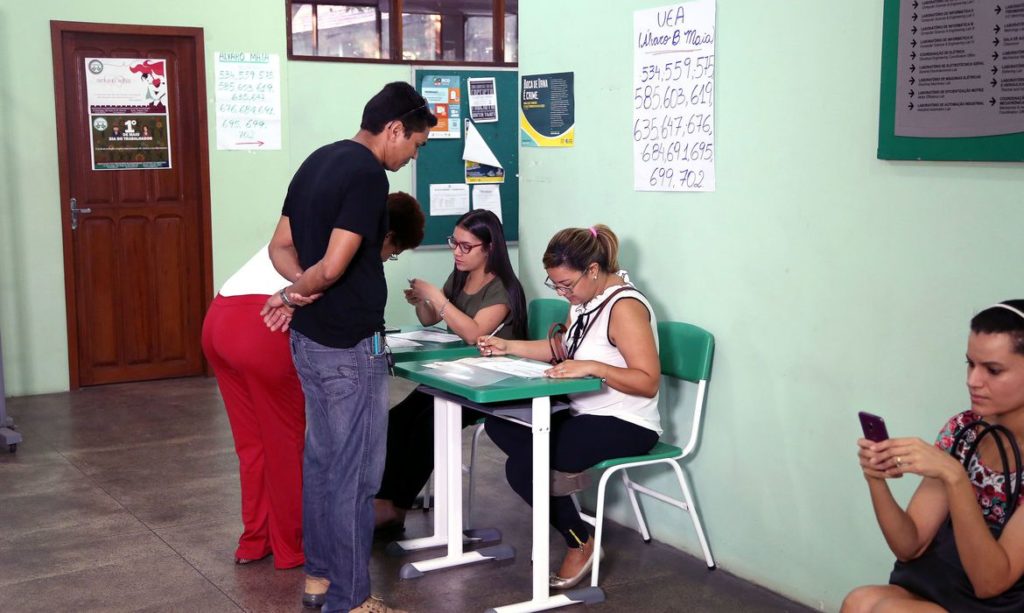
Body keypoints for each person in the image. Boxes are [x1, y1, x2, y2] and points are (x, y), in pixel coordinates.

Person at [260, 82, 436, 613]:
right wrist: (298, 292)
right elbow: (334, 265)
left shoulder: (318, 160)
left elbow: (279, 246)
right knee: (355, 478)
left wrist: (300, 294)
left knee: (322, 465)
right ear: (395, 129)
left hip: (311, 342)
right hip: (350, 349)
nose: (412, 157)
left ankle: (319, 580)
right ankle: (351, 599)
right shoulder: (366, 174)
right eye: (416, 144)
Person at [201, 193, 425, 571]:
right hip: (263, 324)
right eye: (394, 252)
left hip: (219, 321)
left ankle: (254, 540)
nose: (386, 258)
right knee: (286, 446)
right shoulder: (350, 245)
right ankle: (291, 548)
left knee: (253, 446)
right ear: (387, 236)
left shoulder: (321, 224)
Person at [477, 224, 662, 590]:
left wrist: (594, 368)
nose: (563, 293)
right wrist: (508, 347)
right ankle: (558, 474)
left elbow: (647, 381)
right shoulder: (585, 299)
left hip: (627, 422)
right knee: (501, 423)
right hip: (584, 414)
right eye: (556, 285)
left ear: (592, 270)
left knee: (523, 468)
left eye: (566, 284)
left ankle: (581, 542)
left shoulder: (624, 307)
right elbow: (564, 349)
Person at [842, 301, 1024, 612]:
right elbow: (910, 546)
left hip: (996, 599)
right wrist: (875, 478)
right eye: (970, 364)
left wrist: (954, 476)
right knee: (859, 601)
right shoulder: (964, 430)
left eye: (993, 370)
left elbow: (990, 583)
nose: (973, 380)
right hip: (946, 584)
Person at [374, 209, 527, 532]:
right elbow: (430, 319)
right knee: (398, 420)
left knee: (427, 427)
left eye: (466, 246)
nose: (457, 252)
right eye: (454, 243)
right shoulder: (461, 276)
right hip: (455, 376)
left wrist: (435, 296)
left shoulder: (503, 288)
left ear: (489, 248)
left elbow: (474, 334)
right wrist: (422, 301)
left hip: (489, 383)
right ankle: (385, 501)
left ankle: (396, 507)